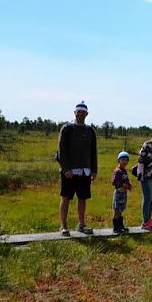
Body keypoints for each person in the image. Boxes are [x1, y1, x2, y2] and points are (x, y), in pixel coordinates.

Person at [57, 101, 97, 237]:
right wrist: (66, 168)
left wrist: (94, 169)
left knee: (83, 198)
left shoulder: (90, 130)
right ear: (75, 113)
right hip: (69, 172)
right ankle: (63, 226)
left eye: (83, 111)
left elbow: (93, 151)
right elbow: (61, 150)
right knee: (66, 197)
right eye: (78, 111)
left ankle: (81, 224)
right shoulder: (67, 128)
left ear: (87, 113)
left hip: (85, 171)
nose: (80, 113)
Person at [111, 151, 131, 234]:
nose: (125, 161)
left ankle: (120, 225)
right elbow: (113, 181)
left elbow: (126, 180)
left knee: (121, 209)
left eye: (126, 160)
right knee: (117, 210)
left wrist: (129, 185)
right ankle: (116, 227)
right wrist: (123, 185)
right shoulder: (117, 171)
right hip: (119, 193)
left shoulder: (124, 171)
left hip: (124, 193)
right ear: (119, 160)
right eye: (122, 159)